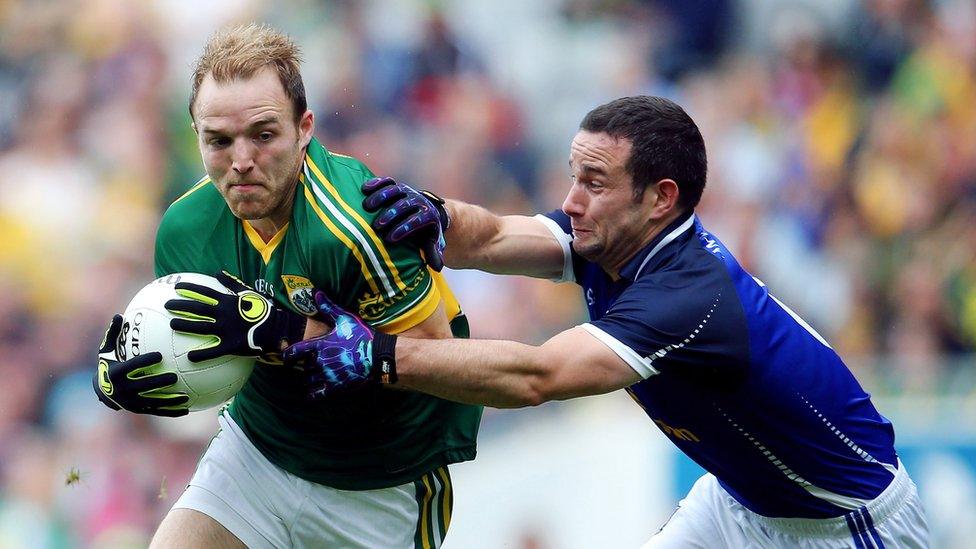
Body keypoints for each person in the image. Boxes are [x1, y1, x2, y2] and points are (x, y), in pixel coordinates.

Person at [284, 96, 930, 547]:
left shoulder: (688, 296)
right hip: (742, 502)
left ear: (661, 198)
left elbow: (538, 375)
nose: (571, 200)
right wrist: (438, 214)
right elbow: (501, 234)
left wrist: (378, 356)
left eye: (594, 181)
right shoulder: (611, 235)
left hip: (846, 526)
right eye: (573, 176)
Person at [92, 23, 482, 548]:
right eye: (219, 140)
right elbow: (203, 369)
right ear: (197, 136)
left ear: (305, 129)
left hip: (379, 481)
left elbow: (437, 363)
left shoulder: (363, 220)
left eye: (264, 134)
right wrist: (128, 373)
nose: (241, 160)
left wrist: (281, 329)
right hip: (257, 453)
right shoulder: (184, 231)